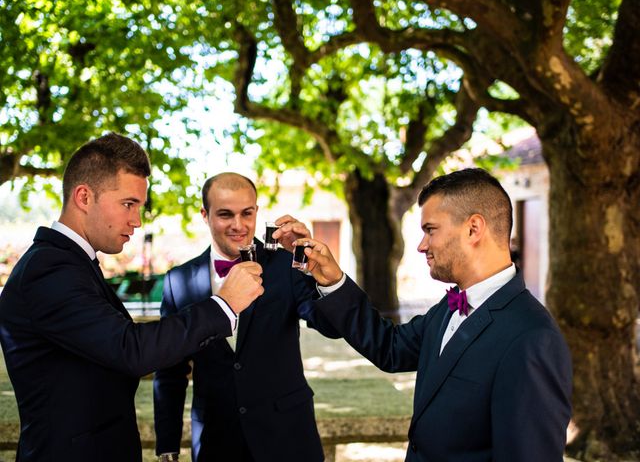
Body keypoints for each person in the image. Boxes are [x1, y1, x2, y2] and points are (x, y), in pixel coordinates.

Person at [0, 133, 263, 462]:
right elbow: (131, 348)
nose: (137, 221)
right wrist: (222, 306)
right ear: (84, 196)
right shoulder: (49, 269)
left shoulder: (72, 263)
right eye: (129, 204)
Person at [301, 168, 573, 461]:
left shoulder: (532, 339)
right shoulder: (448, 307)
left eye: (430, 230)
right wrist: (333, 282)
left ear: (473, 229)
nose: (421, 245)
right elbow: (389, 347)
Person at [153, 172, 339, 462]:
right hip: (216, 441)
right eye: (225, 214)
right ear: (205, 215)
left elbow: (330, 326)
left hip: (288, 438)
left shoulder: (289, 264)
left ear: (256, 212)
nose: (238, 225)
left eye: (246, 213)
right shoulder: (178, 282)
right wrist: (167, 445)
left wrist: (317, 271)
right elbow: (170, 371)